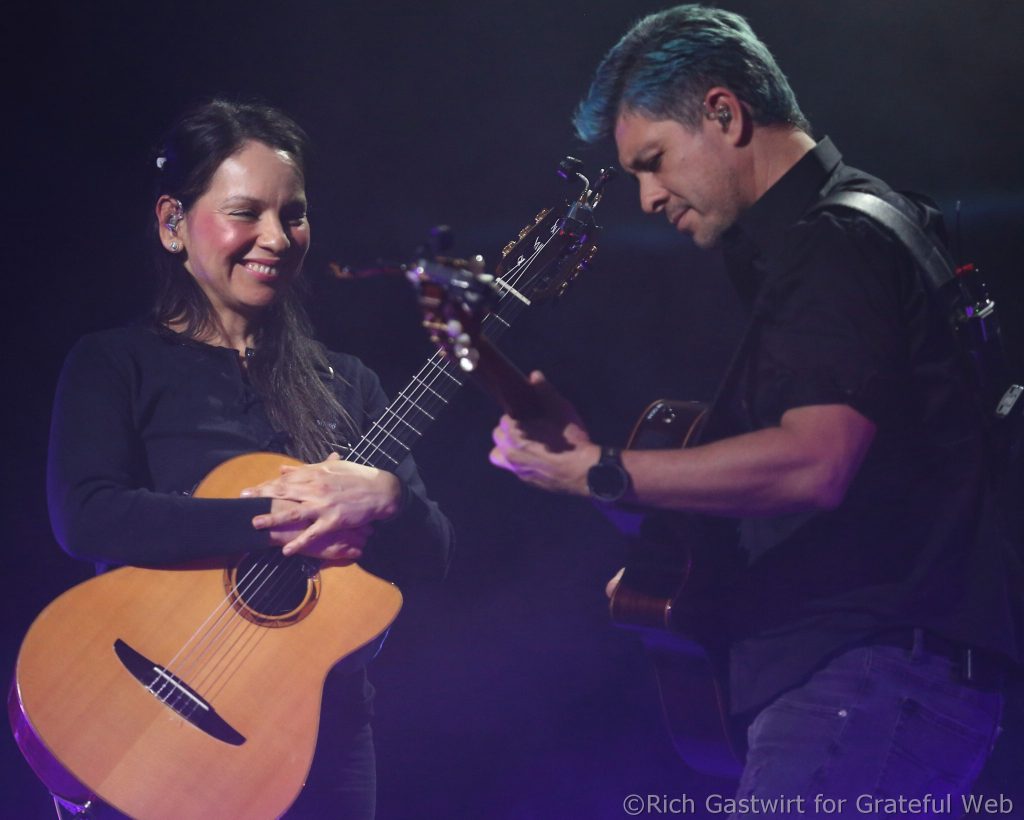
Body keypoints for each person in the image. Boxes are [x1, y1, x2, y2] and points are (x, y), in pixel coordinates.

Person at [489, 5, 1018, 814]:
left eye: (654, 161)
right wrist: (605, 465)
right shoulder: (848, 238)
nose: (646, 197)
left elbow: (815, 464)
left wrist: (598, 471)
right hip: (874, 693)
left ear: (724, 113)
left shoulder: (835, 245)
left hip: (864, 690)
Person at [46, 99, 452, 818]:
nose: (275, 237)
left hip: (323, 739)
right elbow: (87, 516)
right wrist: (276, 515)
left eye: (292, 214)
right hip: (147, 716)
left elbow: (434, 553)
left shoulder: (350, 383)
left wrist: (386, 497)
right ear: (174, 223)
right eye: (246, 212)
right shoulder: (116, 363)